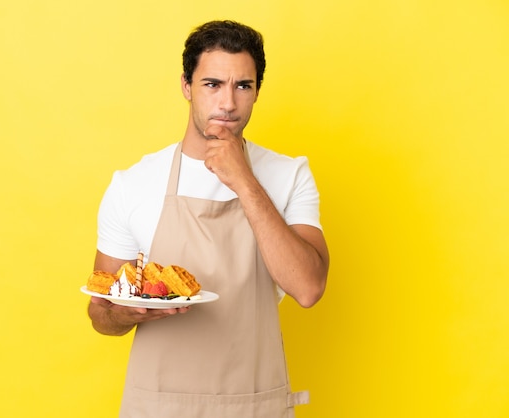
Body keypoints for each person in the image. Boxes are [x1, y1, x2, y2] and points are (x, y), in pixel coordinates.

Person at [87, 20, 329, 418]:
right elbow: (100, 314)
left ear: (256, 92)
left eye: (243, 86)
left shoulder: (289, 175)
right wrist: (124, 312)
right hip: (158, 407)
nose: (228, 103)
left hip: (253, 405)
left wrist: (244, 181)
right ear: (186, 86)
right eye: (212, 84)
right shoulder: (133, 184)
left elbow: (308, 288)